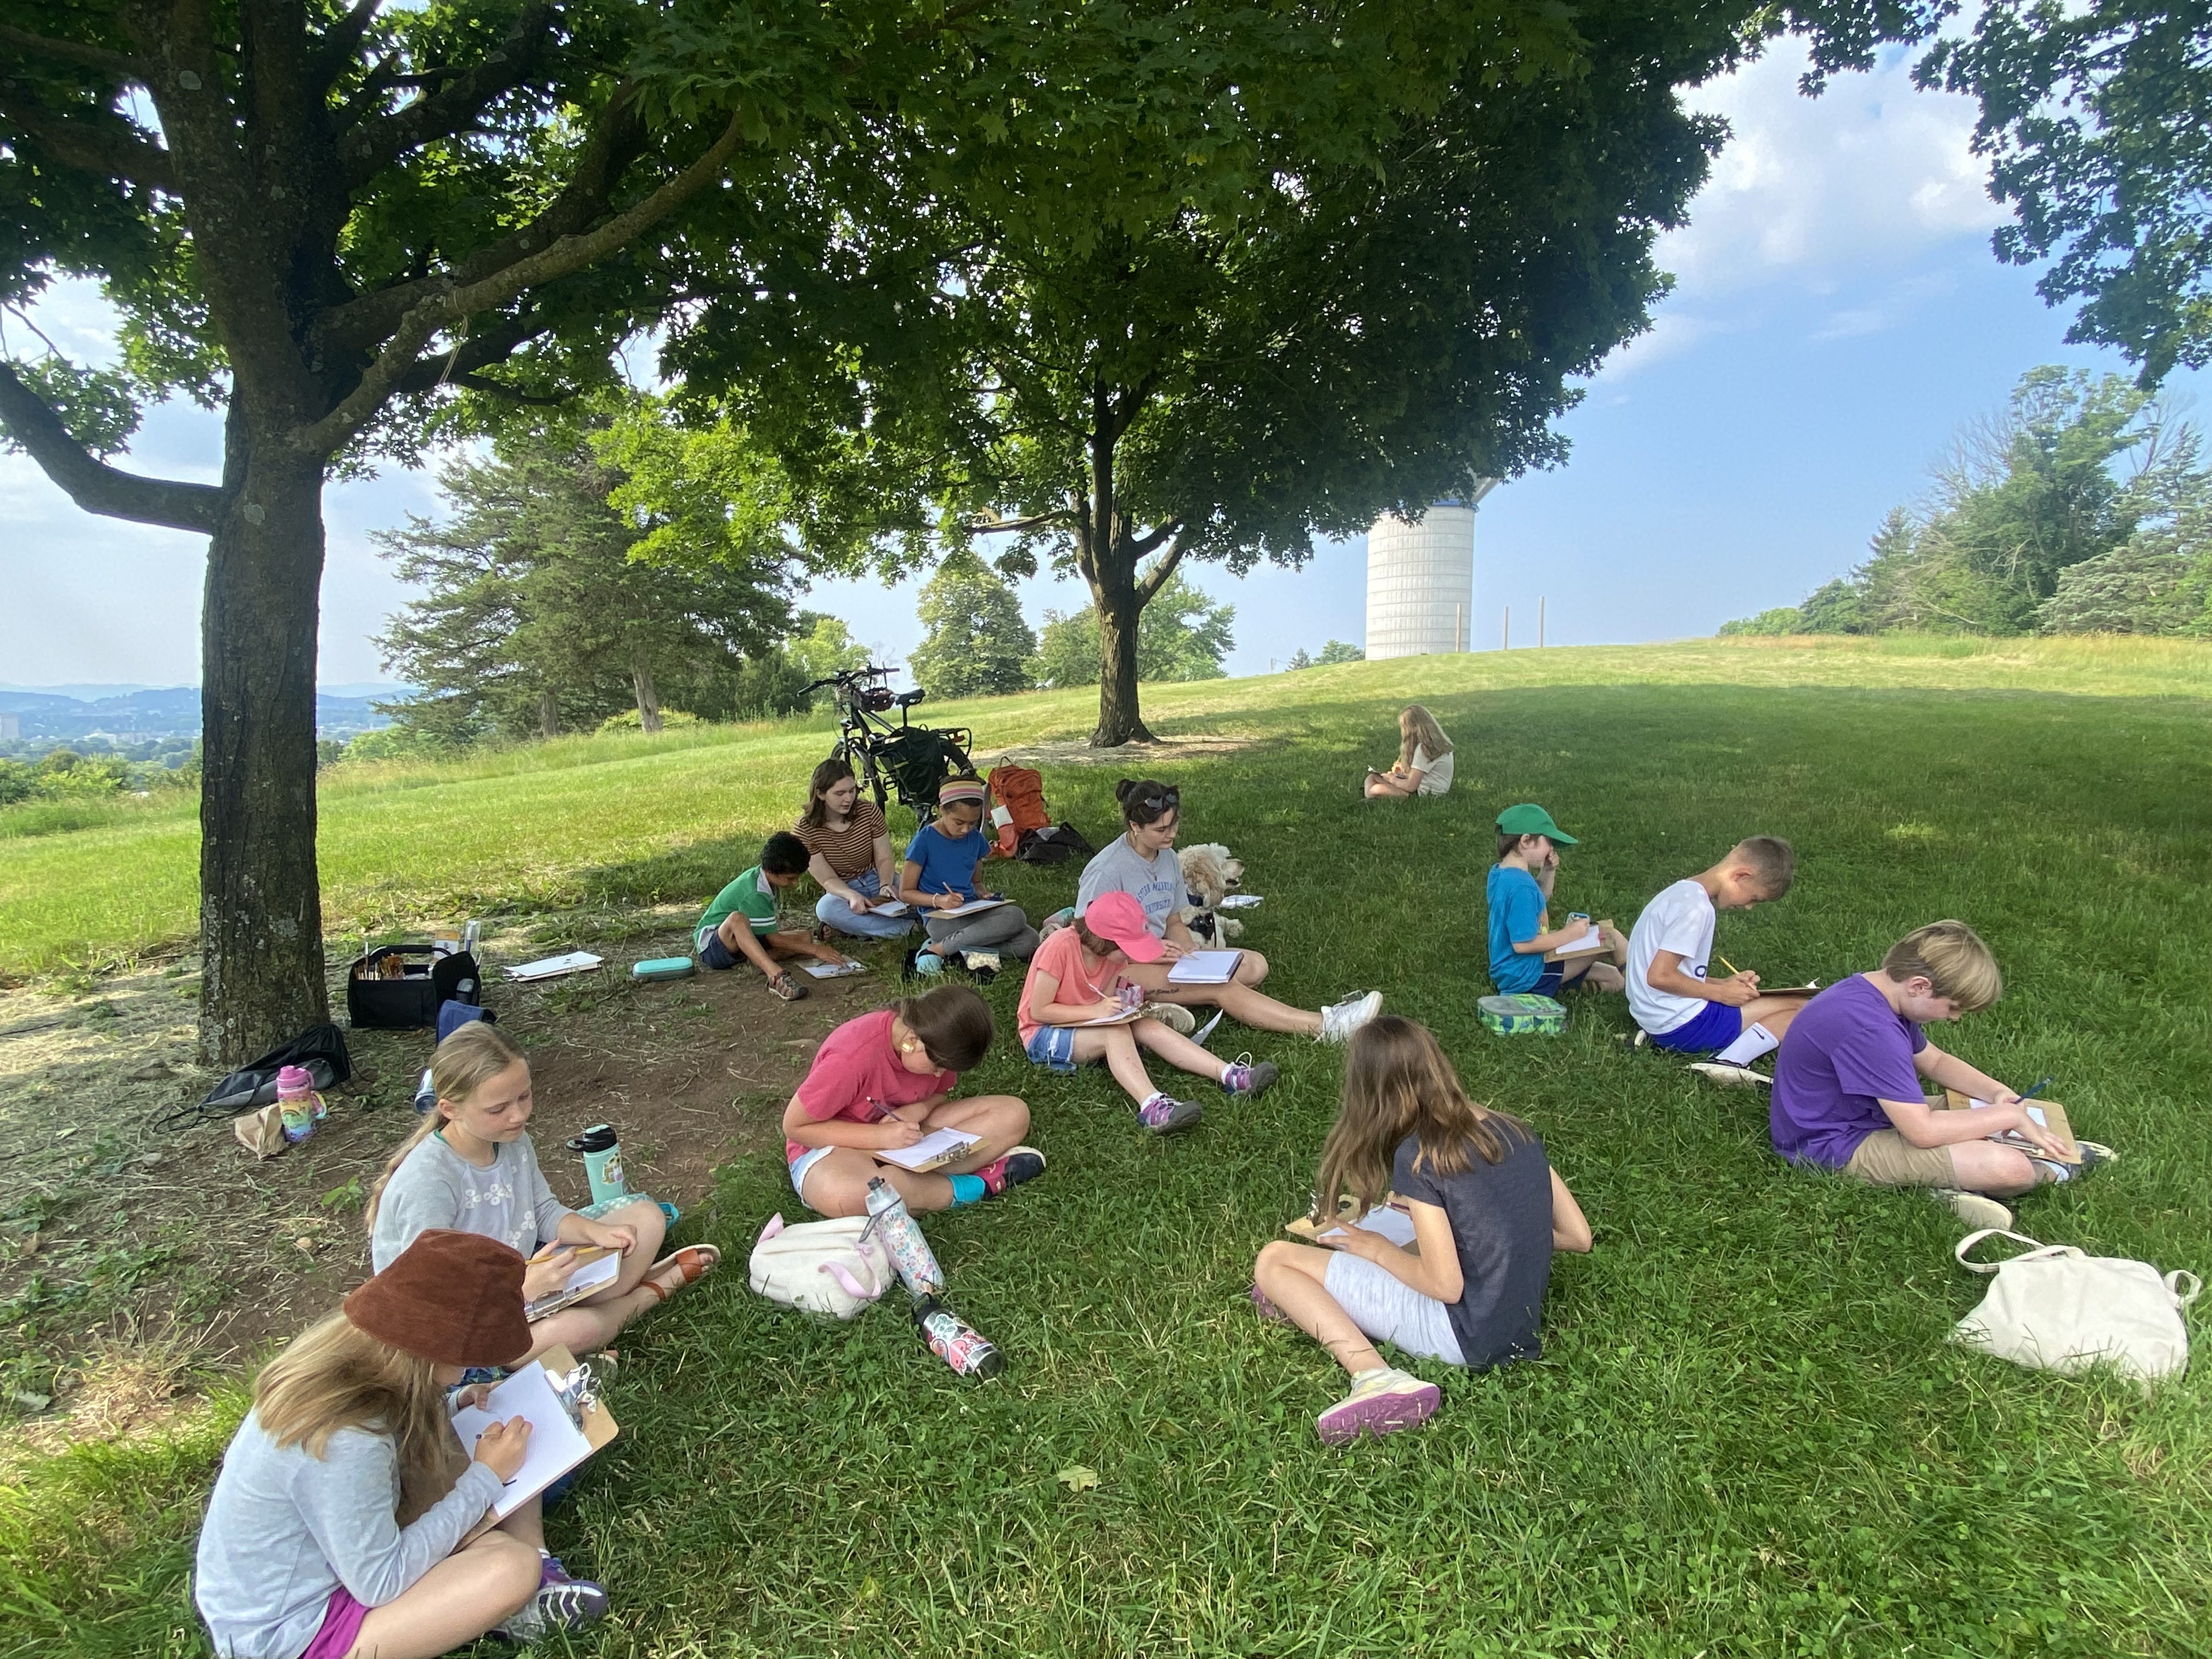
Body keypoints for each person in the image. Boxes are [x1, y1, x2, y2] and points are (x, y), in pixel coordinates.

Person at [194, 1229, 608, 1658]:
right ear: (433, 1352)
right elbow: (381, 1582)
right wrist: (485, 1479)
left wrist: (455, 1402)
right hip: (294, 1632)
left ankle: (528, 1571)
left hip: (326, 1570)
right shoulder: (349, 1441)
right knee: (510, 1569)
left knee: (493, 1448)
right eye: (468, 1360)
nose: (472, 1368)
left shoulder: (354, 1365)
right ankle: (526, 1584)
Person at [1251, 1018, 1592, 1446]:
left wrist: (1375, 1249)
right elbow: (1579, 1236)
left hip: (1464, 1334)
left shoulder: (1420, 1156)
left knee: (1275, 1260)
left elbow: (1445, 1285)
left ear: (1372, 1092)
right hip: (1516, 1326)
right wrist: (1495, 1238)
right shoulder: (1516, 1128)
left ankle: (1375, 1375)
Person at [368, 1023, 716, 1364]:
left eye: (524, 1096)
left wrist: (594, 1233)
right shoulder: (430, 1182)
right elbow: (430, 1294)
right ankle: (649, 1292)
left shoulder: (512, 1140)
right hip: (465, 1318)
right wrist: (521, 1292)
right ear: (450, 1109)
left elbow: (543, 1211)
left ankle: (586, 1309)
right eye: (498, 1108)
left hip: (528, 1271)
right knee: (575, 1330)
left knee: (646, 1217)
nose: (518, 1115)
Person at [1769, 920, 2109, 1229]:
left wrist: (1994, 1094)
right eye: (1953, 1007)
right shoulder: (1871, 1029)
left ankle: (1948, 1184)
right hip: (1829, 1145)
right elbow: (1922, 1131)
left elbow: (1935, 1062)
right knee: (2010, 1168)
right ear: (1920, 986)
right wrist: (2005, 1115)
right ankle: (2053, 1169)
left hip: (1863, 1114)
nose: (1955, 1018)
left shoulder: (1876, 992)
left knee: (1978, 1116)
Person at [1076, 777, 1381, 1042]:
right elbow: (1087, 942)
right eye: (1161, 829)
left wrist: (1191, 958)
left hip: (1162, 954)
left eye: (1174, 824)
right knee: (1221, 985)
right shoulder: (1107, 870)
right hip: (1118, 968)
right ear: (1134, 826)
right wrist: (1154, 954)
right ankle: (1325, 1026)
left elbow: (1173, 920)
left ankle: (1170, 1000)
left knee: (1254, 965)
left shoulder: (1166, 856)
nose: (1171, 835)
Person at [1019, 890, 1280, 1135]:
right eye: (1128, 949)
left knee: (1146, 1025)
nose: (1130, 957)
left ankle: (1230, 1075)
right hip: (1044, 1034)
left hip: (1088, 1021)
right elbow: (1040, 1011)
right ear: (1105, 941)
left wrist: (1118, 1010)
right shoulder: (1059, 946)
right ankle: (1151, 1106)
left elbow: (1106, 998)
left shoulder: (1114, 958)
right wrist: (1097, 1011)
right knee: (1116, 1033)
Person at [782, 984, 1045, 1216]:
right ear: (912, 1042)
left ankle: (916, 1184)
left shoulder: (938, 1044)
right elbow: (796, 1127)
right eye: (937, 1067)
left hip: (906, 1135)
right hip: (835, 1148)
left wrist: (919, 1109)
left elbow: (940, 1094)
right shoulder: (851, 1058)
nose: (940, 1074)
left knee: (1013, 1113)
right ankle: (973, 1187)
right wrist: (880, 1139)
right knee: (856, 1195)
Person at [1625, 837, 1807, 1053]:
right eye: (1754, 898)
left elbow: (1666, 972)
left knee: (1786, 1001)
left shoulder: (1680, 893)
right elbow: (1659, 977)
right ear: (1741, 876)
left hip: (1655, 1016)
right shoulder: (1697, 910)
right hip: (1682, 1026)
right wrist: (1720, 994)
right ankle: (1732, 1059)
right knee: (1803, 1007)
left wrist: (1723, 984)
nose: (1749, 907)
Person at [899, 776, 1041, 977]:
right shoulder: (924, 841)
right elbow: (905, 893)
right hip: (941, 919)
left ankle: (957, 951)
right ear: (942, 810)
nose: (965, 829)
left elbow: (976, 883)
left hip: (971, 909)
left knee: (1030, 940)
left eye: (973, 823)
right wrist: (939, 900)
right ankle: (940, 949)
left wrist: (983, 895)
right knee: (1016, 917)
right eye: (959, 822)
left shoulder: (975, 839)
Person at [698, 830, 860, 1001]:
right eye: (791, 878)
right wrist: (816, 950)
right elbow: (773, 939)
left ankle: (752, 959)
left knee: (805, 937)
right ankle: (775, 976)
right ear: (772, 871)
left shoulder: (765, 880)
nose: (795, 884)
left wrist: (812, 944)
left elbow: (769, 935)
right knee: (737, 918)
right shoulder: (756, 892)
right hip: (714, 946)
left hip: (742, 940)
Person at [1486, 803, 1626, 995]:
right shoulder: (1521, 887)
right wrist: (1570, 934)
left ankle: (1567, 988)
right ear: (1526, 841)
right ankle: (1651, 994)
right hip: (1528, 973)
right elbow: (1523, 944)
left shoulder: (1502, 874)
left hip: (1513, 971)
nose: (1551, 848)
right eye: (1549, 841)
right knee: (1612, 937)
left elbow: (1539, 899)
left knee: (1616, 979)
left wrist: (1548, 870)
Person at [794, 757, 916, 943]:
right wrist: (851, 896)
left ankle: (854, 929)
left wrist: (885, 885)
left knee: (916, 892)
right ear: (821, 794)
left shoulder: (869, 812)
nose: (849, 798)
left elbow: (884, 858)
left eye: (852, 791)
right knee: (826, 909)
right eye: (840, 793)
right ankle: (907, 930)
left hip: (877, 877)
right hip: (843, 888)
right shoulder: (805, 830)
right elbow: (827, 879)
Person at [1363, 704, 1456, 799]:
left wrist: (1392, 779)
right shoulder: (1438, 743)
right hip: (1428, 789)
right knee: (1372, 778)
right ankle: (1371, 798)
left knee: (1376, 789)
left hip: (1423, 794)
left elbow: (1411, 786)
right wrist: (1403, 773)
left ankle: (1372, 798)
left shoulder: (1425, 749)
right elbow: (1422, 774)